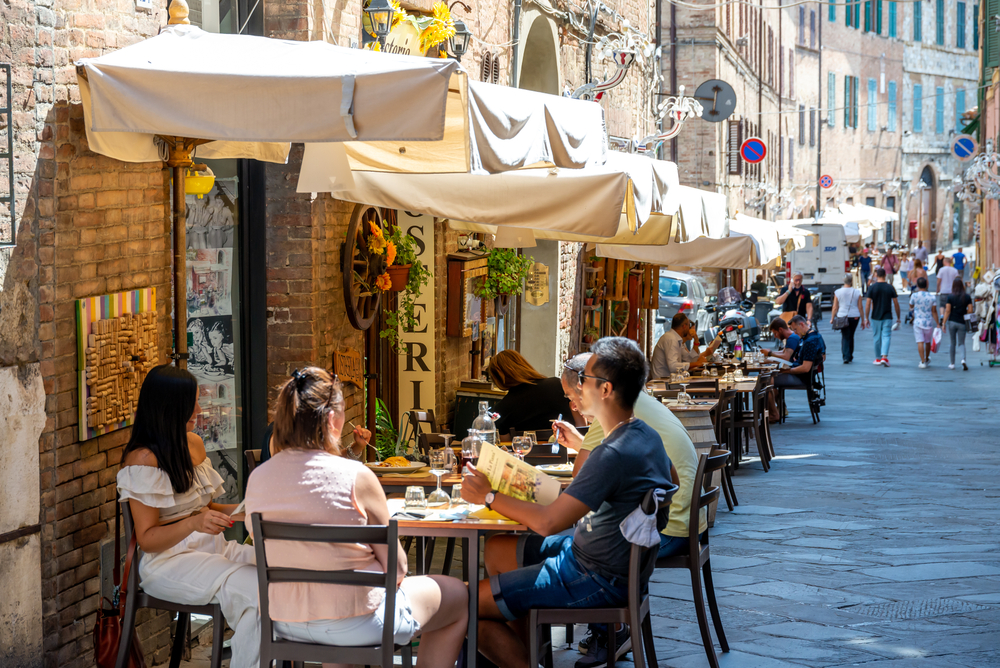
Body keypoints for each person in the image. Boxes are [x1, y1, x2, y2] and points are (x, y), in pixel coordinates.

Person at [462, 337, 675, 668]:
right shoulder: (645, 435)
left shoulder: (612, 453)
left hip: (592, 576)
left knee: (462, 605)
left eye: (584, 380)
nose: (577, 388)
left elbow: (548, 523)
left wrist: (488, 495)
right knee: (499, 549)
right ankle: (528, 649)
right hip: (599, 561)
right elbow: (670, 479)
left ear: (604, 389)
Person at [244, 368, 468, 666]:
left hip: (283, 621)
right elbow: (398, 568)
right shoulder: (357, 477)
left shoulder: (258, 479)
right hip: (356, 621)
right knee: (457, 594)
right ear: (331, 420)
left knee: (344, 609)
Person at [553, 353, 698, 662]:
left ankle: (610, 629)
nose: (572, 406)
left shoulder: (609, 411)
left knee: (583, 539)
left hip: (661, 530)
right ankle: (610, 625)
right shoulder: (634, 404)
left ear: (590, 387)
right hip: (680, 519)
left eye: (571, 396)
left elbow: (581, 480)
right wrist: (582, 443)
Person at [116, 365, 260, 668]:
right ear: (170, 407)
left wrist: (245, 510)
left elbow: (205, 509)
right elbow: (148, 540)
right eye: (191, 402)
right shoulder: (142, 460)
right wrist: (194, 523)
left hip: (213, 550)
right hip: (168, 564)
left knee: (277, 572)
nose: (198, 408)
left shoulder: (193, 443)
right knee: (256, 593)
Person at [487, 350, 577, 436]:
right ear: (523, 364)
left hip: (528, 451)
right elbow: (582, 426)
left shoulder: (501, 409)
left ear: (498, 379)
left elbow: (505, 447)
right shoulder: (557, 384)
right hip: (570, 450)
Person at [650, 313, 722, 378]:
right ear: (684, 326)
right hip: (662, 382)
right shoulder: (671, 339)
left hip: (671, 380)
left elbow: (690, 360)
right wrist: (697, 363)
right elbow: (672, 367)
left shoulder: (678, 339)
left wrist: (696, 341)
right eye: (689, 325)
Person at [774, 316, 825, 388]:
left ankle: (774, 399)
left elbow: (805, 368)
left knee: (768, 380)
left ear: (801, 324)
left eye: (795, 329)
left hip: (801, 377)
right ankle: (776, 398)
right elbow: (823, 357)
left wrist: (787, 371)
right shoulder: (817, 335)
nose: (795, 333)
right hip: (808, 375)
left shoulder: (809, 342)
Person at [864, 267, 900, 367]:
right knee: (886, 335)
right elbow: (896, 303)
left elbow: (867, 304)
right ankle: (884, 357)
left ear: (876, 275)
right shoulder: (890, 287)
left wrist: (866, 318)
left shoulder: (872, 287)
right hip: (887, 315)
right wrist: (898, 317)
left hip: (875, 315)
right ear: (885, 275)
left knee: (876, 337)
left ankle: (878, 358)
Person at [941, 278, 974, 370]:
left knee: (952, 343)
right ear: (962, 286)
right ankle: (963, 360)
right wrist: (966, 314)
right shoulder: (967, 297)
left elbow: (947, 311)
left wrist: (943, 323)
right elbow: (970, 310)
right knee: (961, 343)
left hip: (952, 322)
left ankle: (952, 363)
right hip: (962, 322)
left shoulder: (950, 297)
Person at [831, 275, 865, 364]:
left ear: (843, 280)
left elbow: (835, 307)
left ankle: (846, 356)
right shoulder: (857, 292)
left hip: (842, 315)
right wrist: (863, 319)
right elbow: (860, 307)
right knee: (851, 335)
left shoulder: (837, 292)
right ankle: (850, 355)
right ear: (852, 281)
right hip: (855, 316)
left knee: (845, 336)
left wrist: (832, 318)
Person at [909, 277, 939, 369]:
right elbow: (934, 311)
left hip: (918, 321)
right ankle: (926, 358)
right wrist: (938, 323)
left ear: (917, 285)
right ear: (926, 285)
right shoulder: (932, 297)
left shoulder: (914, 296)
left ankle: (922, 361)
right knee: (927, 342)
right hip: (928, 322)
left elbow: (911, 305)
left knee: (920, 341)